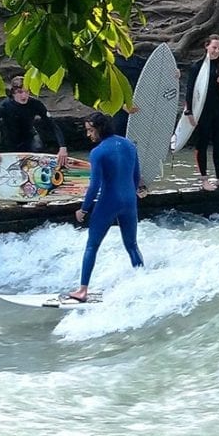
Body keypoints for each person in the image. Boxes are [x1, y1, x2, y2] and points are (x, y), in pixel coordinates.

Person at [68, 112, 144, 302]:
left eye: (90, 130)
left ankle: (82, 291)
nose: (88, 135)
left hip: (109, 202)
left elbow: (94, 186)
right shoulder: (129, 145)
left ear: (99, 128)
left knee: (92, 246)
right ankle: (144, 284)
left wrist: (83, 209)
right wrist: (130, 196)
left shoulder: (98, 152)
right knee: (132, 245)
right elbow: (136, 176)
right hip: (129, 202)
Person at [185, 34, 219, 190]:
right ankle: (204, 179)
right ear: (206, 46)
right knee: (202, 143)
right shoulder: (197, 66)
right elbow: (190, 91)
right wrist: (189, 112)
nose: (217, 51)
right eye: (214, 47)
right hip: (202, 110)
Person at [0, 76, 68, 166]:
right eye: (20, 92)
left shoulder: (35, 104)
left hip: (30, 138)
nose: (24, 96)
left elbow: (52, 125)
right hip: (10, 141)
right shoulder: (3, 106)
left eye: (26, 91)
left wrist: (62, 147)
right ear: (13, 93)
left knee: (38, 148)